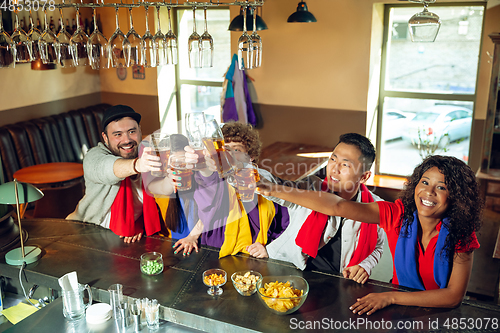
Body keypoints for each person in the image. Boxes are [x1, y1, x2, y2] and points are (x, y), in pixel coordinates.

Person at [257, 155, 482, 315]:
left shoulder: (460, 232)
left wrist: (389, 297)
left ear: (456, 196)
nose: (428, 192)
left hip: (437, 313)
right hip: (402, 312)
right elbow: (336, 206)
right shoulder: (397, 215)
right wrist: (270, 189)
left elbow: (453, 296)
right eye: (424, 182)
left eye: (441, 187)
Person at [247, 133, 386, 284]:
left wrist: (365, 265)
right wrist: (249, 172)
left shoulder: (375, 207)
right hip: (297, 273)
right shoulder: (311, 187)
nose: (334, 168)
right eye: (333, 159)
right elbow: (281, 187)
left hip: (339, 281)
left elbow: (378, 245)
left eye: (345, 164)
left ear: (364, 177)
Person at [173, 122, 290, 257]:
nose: (229, 154)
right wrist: (192, 236)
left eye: (236, 150)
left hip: (255, 255)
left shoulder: (265, 181)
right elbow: (208, 206)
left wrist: (271, 248)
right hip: (217, 252)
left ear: (250, 156)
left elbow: (284, 223)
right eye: (225, 149)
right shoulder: (216, 180)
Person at [67, 105, 174, 243]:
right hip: (86, 232)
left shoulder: (149, 154)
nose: (127, 140)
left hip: (127, 238)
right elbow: (109, 168)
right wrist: (138, 165)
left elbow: (157, 192)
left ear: (140, 131)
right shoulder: (94, 156)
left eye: (132, 131)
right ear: (105, 138)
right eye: (118, 134)